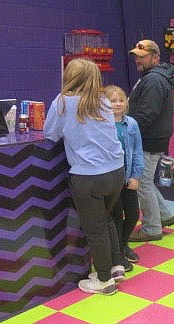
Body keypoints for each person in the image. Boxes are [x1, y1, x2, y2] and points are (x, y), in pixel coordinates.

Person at [43, 58, 125, 295]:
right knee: (107, 218)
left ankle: (103, 281)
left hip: (88, 176)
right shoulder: (103, 101)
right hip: (116, 171)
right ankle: (115, 266)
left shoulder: (63, 102)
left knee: (95, 229)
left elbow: (51, 134)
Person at [127, 39, 174, 242]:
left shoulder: (153, 80)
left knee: (141, 184)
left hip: (148, 139)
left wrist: (127, 130)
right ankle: (164, 215)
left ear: (155, 57)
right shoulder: (153, 77)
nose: (138, 60)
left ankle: (151, 228)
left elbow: (147, 114)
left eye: (143, 56)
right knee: (146, 182)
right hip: (153, 138)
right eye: (136, 57)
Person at [104, 85, 144, 264]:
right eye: (113, 101)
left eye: (121, 100)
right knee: (116, 216)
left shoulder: (131, 124)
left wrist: (136, 176)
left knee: (133, 214)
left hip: (128, 177)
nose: (118, 104)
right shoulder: (102, 125)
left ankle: (123, 244)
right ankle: (118, 252)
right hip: (112, 180)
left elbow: (137, 151)